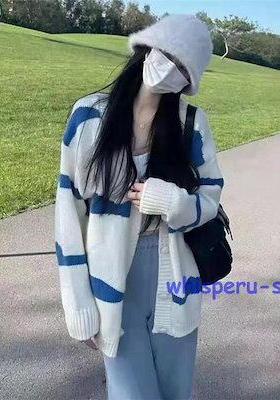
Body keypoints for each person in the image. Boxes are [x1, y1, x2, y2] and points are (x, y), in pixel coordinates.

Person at [54, 13, 224, 400]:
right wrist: (78, 304)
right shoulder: (89, 116)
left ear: (189, 80)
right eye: (168, 54)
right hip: (112, 276)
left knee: (174, 391)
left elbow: (211, 197)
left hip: (175, 276)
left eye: (183, 67)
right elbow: (68, 214)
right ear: (146, 48)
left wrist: (174, 202)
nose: (170, 69)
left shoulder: (191, 124)